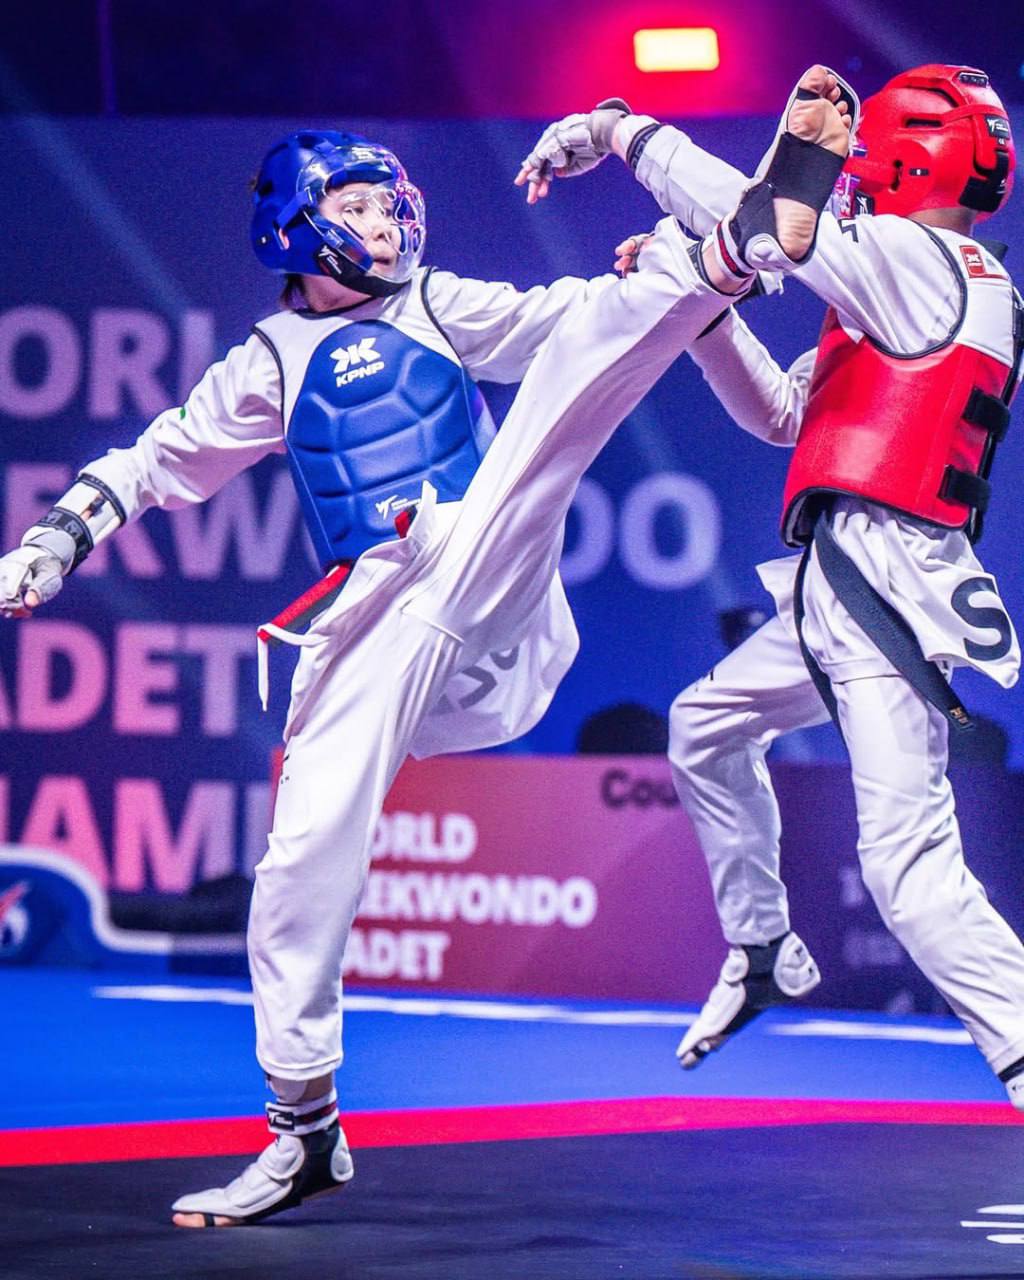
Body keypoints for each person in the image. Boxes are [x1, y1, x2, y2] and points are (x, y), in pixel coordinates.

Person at [0, 100, 850, 1225]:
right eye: (355, 206)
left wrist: (656, 271)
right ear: (296, 228)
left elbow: (565, 323)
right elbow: (155, 461)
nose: (383, 224)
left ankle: (738, 238)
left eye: (388, 203)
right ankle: (304, 1130)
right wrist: (54, 542)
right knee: (299, 863)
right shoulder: (267, 361)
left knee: (583, 351)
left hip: (484, 565)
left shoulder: (438, 303)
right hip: (380, 621)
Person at [519, 64, 1024, 1106]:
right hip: (844, 575)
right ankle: (760, 950)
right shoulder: (926, 280)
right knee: (704, 725)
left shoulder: (920, 261)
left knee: (910, 873)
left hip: (882, 588)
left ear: (898, 156)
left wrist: (621, 131)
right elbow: (787, 417)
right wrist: (709, 317)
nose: (855, 171)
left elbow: (762, 222)